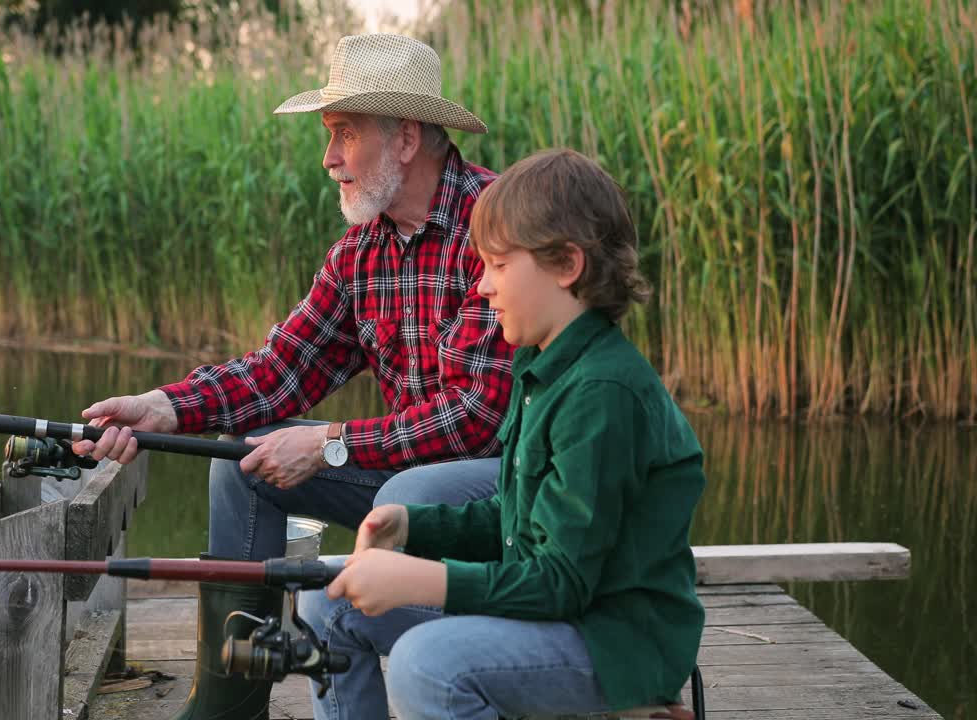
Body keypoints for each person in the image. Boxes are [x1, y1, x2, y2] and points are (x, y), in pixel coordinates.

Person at [72, 33, 514, 720]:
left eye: (344, 133)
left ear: (405, 139)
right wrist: (163, 406)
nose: (328, 158)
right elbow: (278, 372)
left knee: (409, 486)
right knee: (243, 458)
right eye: (328, 134)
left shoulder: (496, 224)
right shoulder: (361, 252)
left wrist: (330, 442)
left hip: (506, 491)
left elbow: (475, 421)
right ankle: (232, 700)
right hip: (405, 477)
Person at [299, 149, 707, 720]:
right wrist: (417, 525)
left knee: (428, 664)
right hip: (559, 614)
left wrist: (425, 579)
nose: (482, 287)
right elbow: (517, 523)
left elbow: (560, 582)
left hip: (615, 642)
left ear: (566, 264)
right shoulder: (543, 368)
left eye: (496, 266)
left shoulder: (603, 394)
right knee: (328, 599)